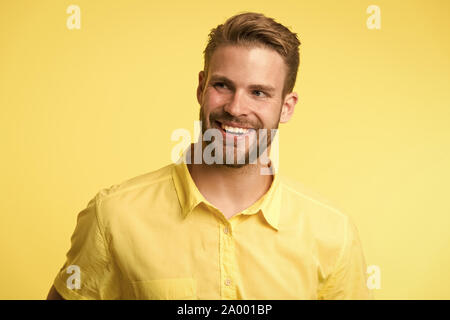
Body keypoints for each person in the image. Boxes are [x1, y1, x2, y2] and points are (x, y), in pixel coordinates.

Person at [47, 12, 372, 300]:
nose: (235, 108)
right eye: (222, 85)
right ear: (202, 87)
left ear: (286, 106)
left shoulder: (332, 232)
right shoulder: (113, 216)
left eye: (258, 92)